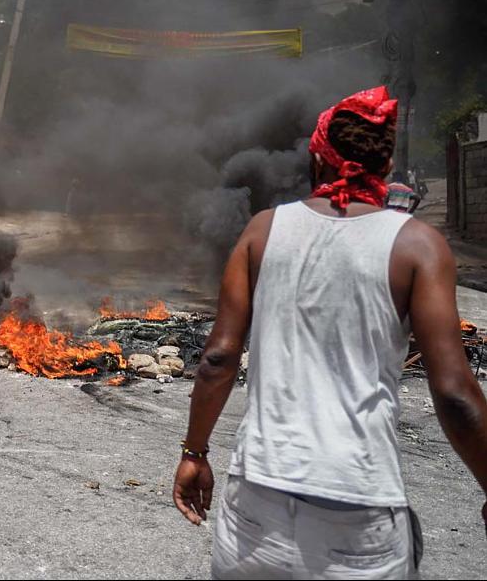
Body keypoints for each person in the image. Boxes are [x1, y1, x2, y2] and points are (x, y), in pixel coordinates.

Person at [173, 86, 487, 578]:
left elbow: (218, 357)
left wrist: (194, 451)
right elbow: (454, 394)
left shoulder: (262, 230)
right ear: (384, 168)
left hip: (257, 496)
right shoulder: (418, 246)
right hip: (358, 505)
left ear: (316, 158)